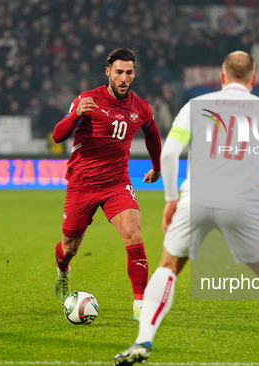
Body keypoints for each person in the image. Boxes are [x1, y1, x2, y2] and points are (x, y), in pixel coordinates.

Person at [114, 51, 259, 366]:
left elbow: (170, 154)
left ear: (221, 77)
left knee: (169, 267)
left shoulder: (196, 106)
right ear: (253, 80)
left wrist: (170, 198)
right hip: (243, 203)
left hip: (196, 199)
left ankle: (143, 340)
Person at [51, 48, 162, 321]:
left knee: (133, 234)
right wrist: (75, 114)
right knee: (70, 246)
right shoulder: (87, 99)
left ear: (134, 74)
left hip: (116, 183)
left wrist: (157, 167)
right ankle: (63, 270)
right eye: (118, 72)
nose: (123, 78)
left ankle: (140, 306)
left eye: (128, 72)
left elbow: (153, 136)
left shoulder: (141, 107)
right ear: (108, 72)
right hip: (82, 183)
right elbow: (57, 136)